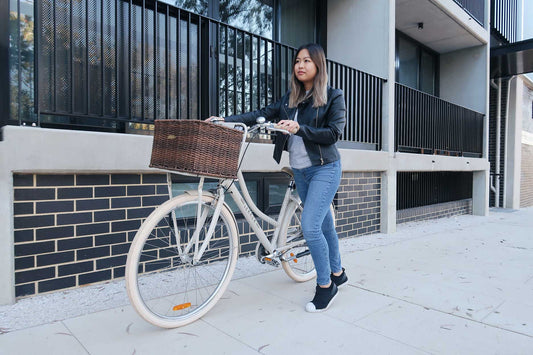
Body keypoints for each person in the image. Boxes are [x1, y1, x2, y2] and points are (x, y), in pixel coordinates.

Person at [207, 43, 347, 312]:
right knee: (325, 224)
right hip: (301, 172)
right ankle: (339, 272)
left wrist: (300, 128)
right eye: (297, 61)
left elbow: (333, 134)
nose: (300, 65)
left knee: (311, 226)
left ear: (318, 65)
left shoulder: (332, 96)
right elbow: (260, 114)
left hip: (325, 169)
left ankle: (326, 286)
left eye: (307, 60)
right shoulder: (289, 100)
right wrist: (225, 120)